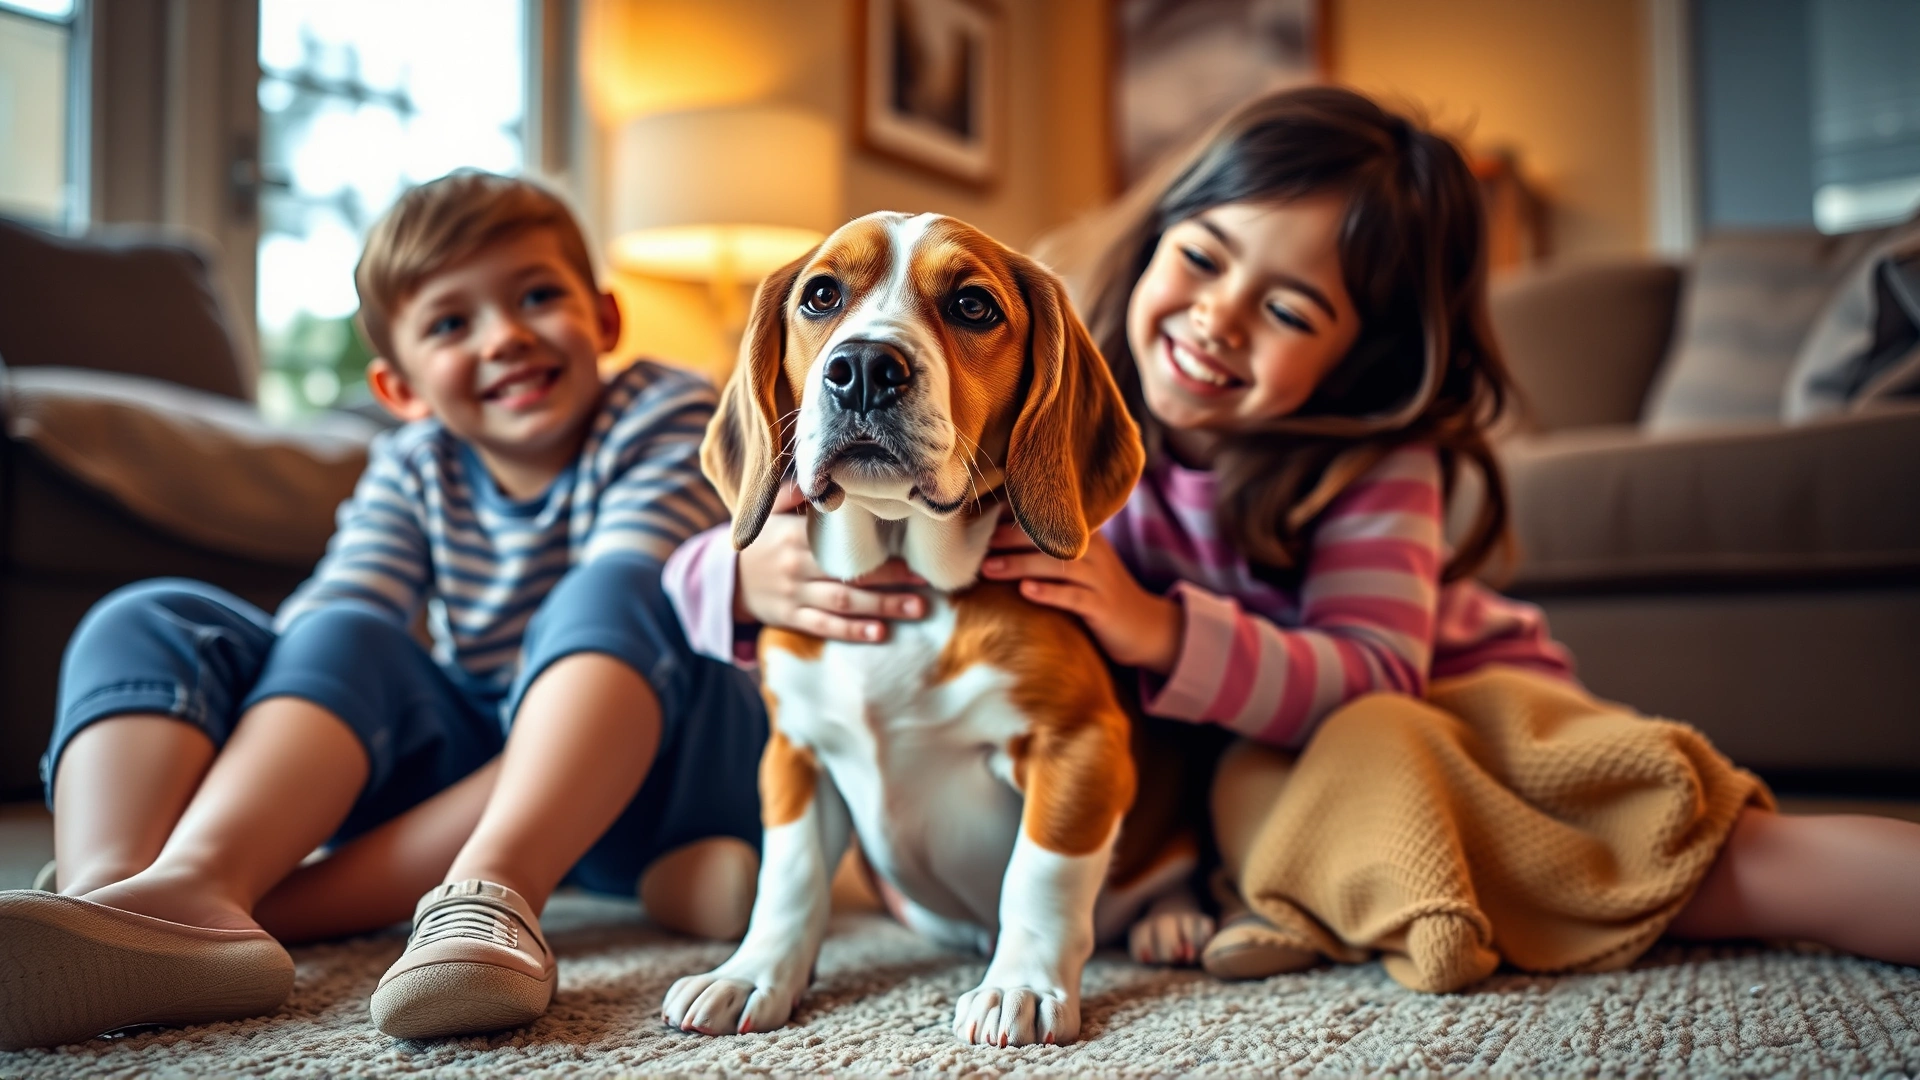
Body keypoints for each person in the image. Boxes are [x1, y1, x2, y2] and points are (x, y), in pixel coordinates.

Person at [665, 87, 1920, 992]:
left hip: (1455, 695)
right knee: (1281, 809)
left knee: (1691, 841)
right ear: (1155, 244)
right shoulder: (1071, 431)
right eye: (1202, 258)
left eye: (1288, 305)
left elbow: (1371, 672)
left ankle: (1813, 878)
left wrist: (1154, 626)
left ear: (1356, 356)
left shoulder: (1360, 466)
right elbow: (711, 570)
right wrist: (743, 563)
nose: (1216, 318)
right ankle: (1302, 906)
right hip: (1265, 755)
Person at [0, 170, 767, 1051]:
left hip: (668, 751)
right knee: (160, 618)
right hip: (495, 749)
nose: (507, 336)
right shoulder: (410, 464)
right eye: (452, 323)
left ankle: (482, 894)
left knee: (625, 585)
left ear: (605, 319)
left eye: (537, 295)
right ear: (398, 388)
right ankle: (115, 904)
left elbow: (627, 632)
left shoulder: (666, 413)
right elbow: (327, 634)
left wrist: (282, 886)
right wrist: (265, 787)